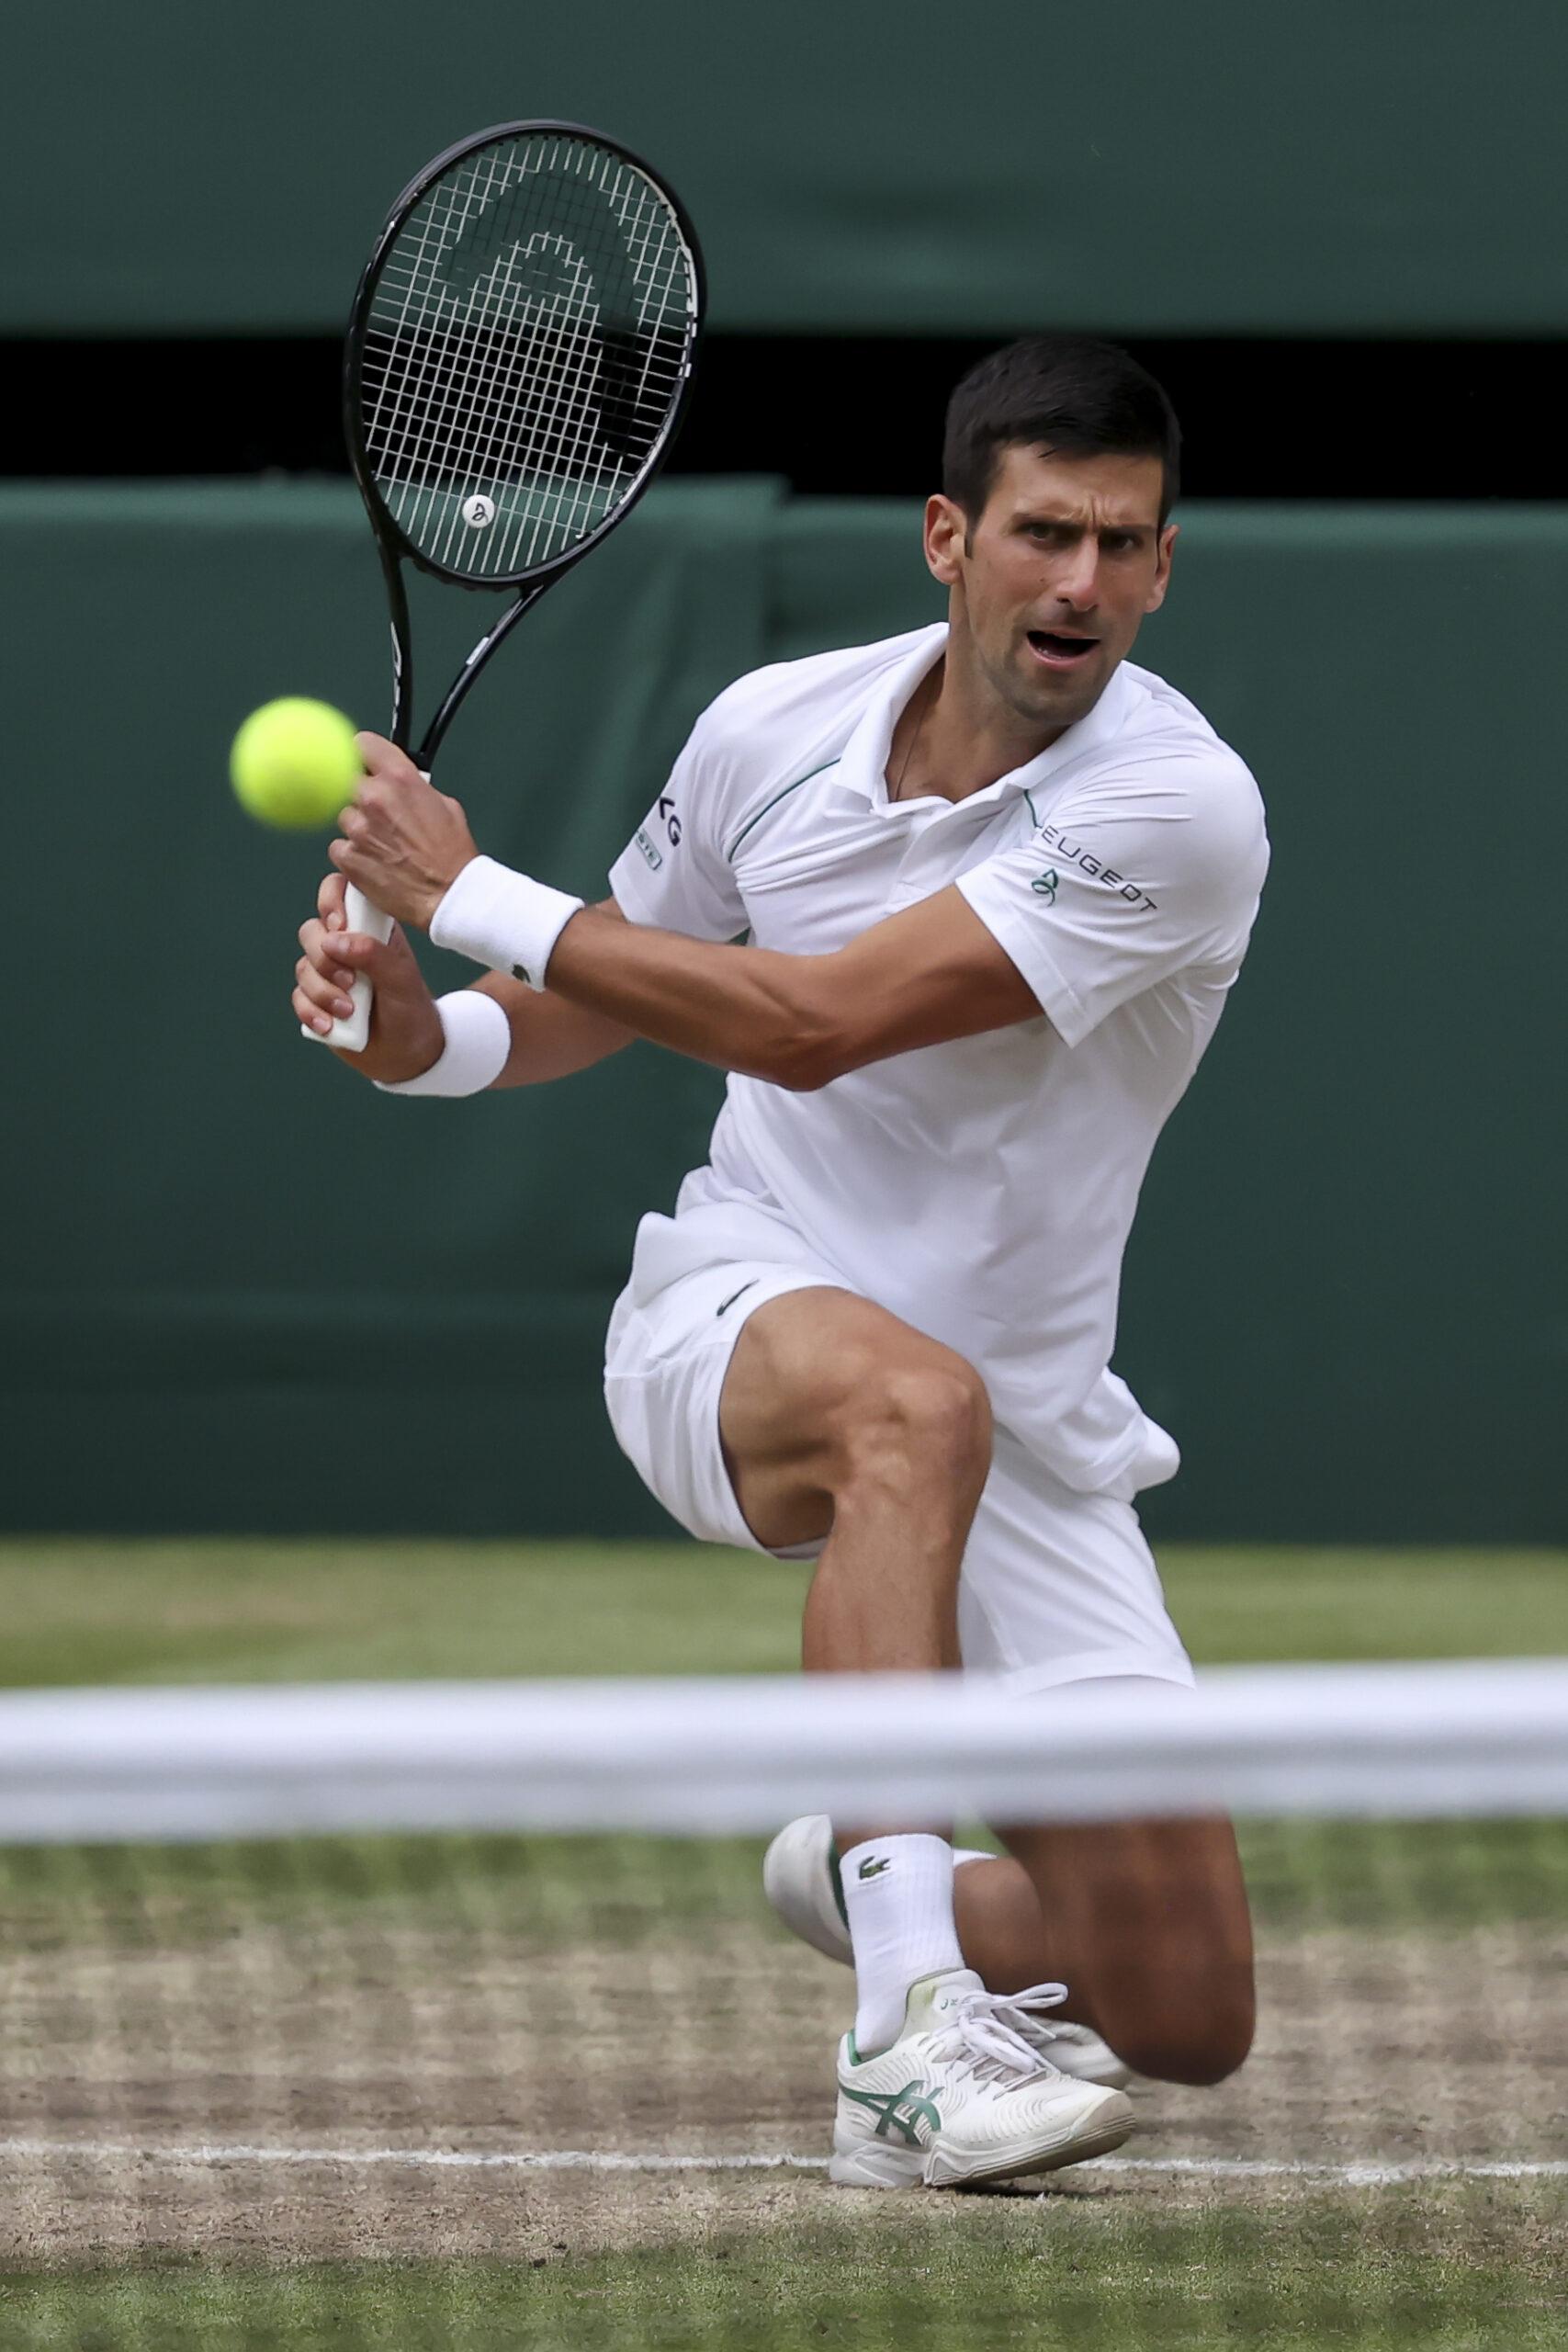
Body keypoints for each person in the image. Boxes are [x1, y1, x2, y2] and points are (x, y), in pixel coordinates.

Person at [292, 334, 1267, 2191]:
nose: (1078, 582)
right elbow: (601, 994)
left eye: (1121, 545)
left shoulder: (1177, 807)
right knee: (910, 1399)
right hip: (738, 1315)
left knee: (1183, 2005)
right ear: (943, 537)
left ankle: (858, 1861)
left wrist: (468, 890)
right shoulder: (767, 731)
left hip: (1033, 1432)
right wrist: (433, 1038)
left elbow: (810, 1021)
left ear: (1156, 569)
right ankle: (903, 2039)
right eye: (1042, 532)